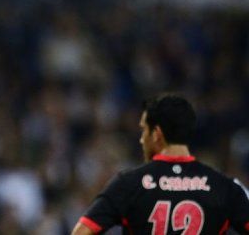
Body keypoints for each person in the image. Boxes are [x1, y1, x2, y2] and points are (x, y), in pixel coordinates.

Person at [71, 94, 249, 235]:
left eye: (144, 130)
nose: (141, 139)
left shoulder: (128, 184)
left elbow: (82, 232)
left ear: (156, 134)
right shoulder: (224, 188)